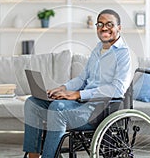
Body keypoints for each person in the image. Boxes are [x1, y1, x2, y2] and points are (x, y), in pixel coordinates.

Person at [23, 9, 132, 158]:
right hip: (81, 104)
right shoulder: (98, 49)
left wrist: (78, 94)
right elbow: (82, 79)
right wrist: (63, 88)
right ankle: (33, 155)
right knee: (32, 103)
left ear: (119, 28)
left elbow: (117, 89)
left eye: (109, 24)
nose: (104, 28)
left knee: (58, 108)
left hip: (98, 110)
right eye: (100, 24)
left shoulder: (124, 54)